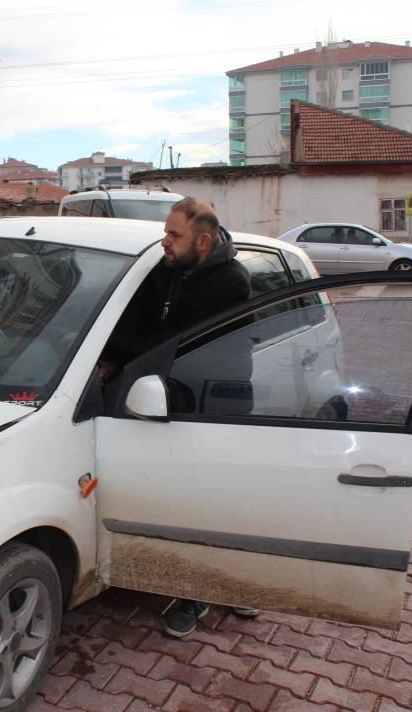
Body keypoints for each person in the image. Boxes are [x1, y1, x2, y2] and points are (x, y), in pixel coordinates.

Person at [99, 196, 260, 638]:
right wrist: (109, 354)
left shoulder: (231, 282)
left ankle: (205, 592)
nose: (164, 241)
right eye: (165, 232)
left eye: (174, 235)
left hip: (213, 404)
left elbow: (173, 340)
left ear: (203, 242)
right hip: (168, 396)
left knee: (209, 503)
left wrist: (118, 359)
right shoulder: (166, 268)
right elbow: (133, 322)